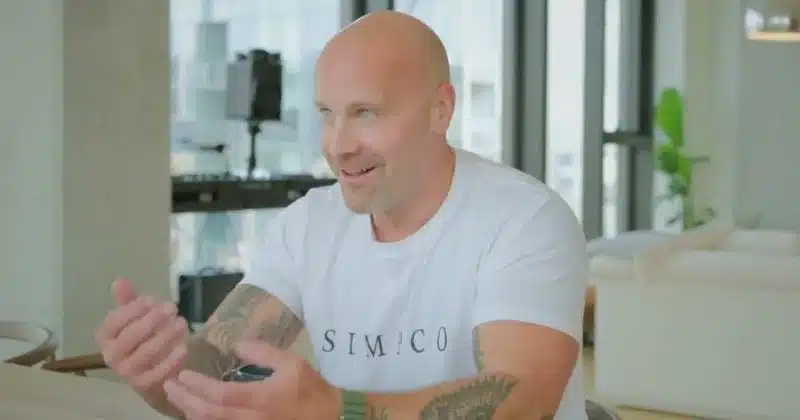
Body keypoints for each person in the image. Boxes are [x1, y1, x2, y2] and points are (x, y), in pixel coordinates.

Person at [94, 10, 589, 420]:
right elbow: (210, 371)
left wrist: (338, 410)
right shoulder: (307, 225)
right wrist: (162, 371)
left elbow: (522, 402)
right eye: (327, 114)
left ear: (440, 109)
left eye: (365, 113)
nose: (338, 145)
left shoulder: (526, 220)